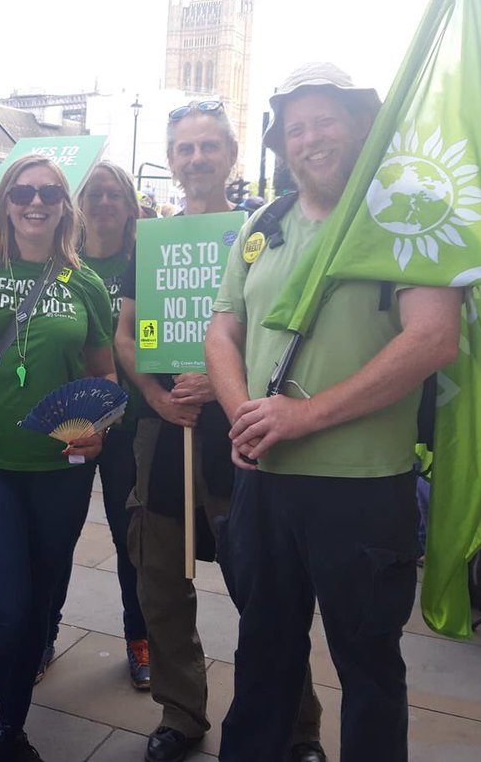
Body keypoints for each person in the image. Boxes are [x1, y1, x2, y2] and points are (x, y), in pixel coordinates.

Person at [206, 63, 462, 762]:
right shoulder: (265, 223)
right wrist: (245, 416)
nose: (310, 139)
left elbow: (433, 338)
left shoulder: (406, 216)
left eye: (325, 121)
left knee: (369, 666)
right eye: (296, 129)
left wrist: (303, 416)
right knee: (262, 653)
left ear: (361, 126)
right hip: (265, 483)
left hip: (363, 487)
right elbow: (223, 330)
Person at [113, 100, 324, 762]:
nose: (197, 158)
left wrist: (222, 378)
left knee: (264, 590)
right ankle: (180, 712)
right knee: (161, 582)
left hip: (241, 437)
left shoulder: (268, 232)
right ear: (170, 160)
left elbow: (287, 335)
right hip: (164, 436)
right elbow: (127, 333)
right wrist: (156, 395)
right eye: (185, 148)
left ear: (232, 155)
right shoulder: (152, 243)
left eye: (209, 146)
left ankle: (297, 725)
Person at [0, 153, 114, 762]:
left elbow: (104, 375)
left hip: (60, 472)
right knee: (5, 612)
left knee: (35, 614)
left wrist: (101, 427)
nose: (36, 203)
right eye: (23, 192)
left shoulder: (83, 283)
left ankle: (11, 734)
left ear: (65, 207)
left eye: (50, 194)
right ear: (4, 202)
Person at [40, 161, 150, 690]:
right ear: (79, 206)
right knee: (57, 531)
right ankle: (43, 634)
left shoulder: (145, 263)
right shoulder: (62, 264)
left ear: (131, 206)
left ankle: (140, 638)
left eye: (114, 195)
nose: (104, 203)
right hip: (75, 426)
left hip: (131, 425)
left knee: (132, 538)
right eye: (94, 194)